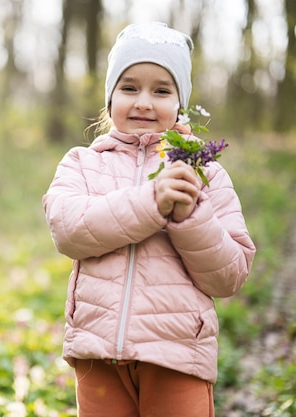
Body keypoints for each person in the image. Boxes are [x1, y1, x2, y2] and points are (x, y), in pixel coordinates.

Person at [42, 22, 256, 417]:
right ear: (109, 100)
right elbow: (69, 230)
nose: (143, 101)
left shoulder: (204, 173)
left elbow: (229, 275)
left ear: (180, 104)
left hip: (176, 353)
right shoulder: (83, 163)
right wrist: (151, 202)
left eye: (161, 90)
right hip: (98, 353)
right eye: (129, 87)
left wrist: (190, 217)